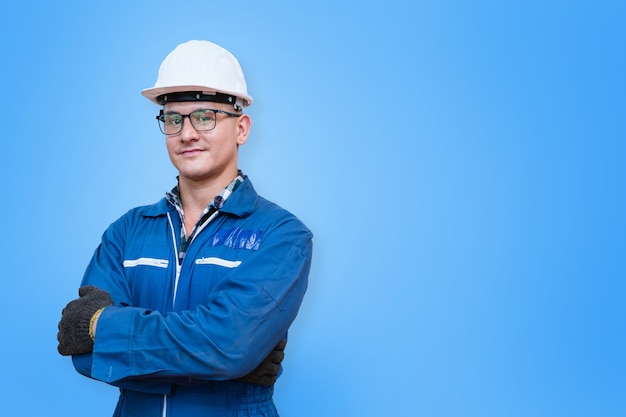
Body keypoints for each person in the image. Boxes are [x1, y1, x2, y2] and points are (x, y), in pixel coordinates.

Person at [57, 40, 313, 417]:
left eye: (205, 116)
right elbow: (83, 351)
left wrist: (105, 329)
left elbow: (226, 347)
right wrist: (220, 359)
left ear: (241, 128)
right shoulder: (126, 233)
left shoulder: (282, 237)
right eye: (174, 119)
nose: (187, 133)